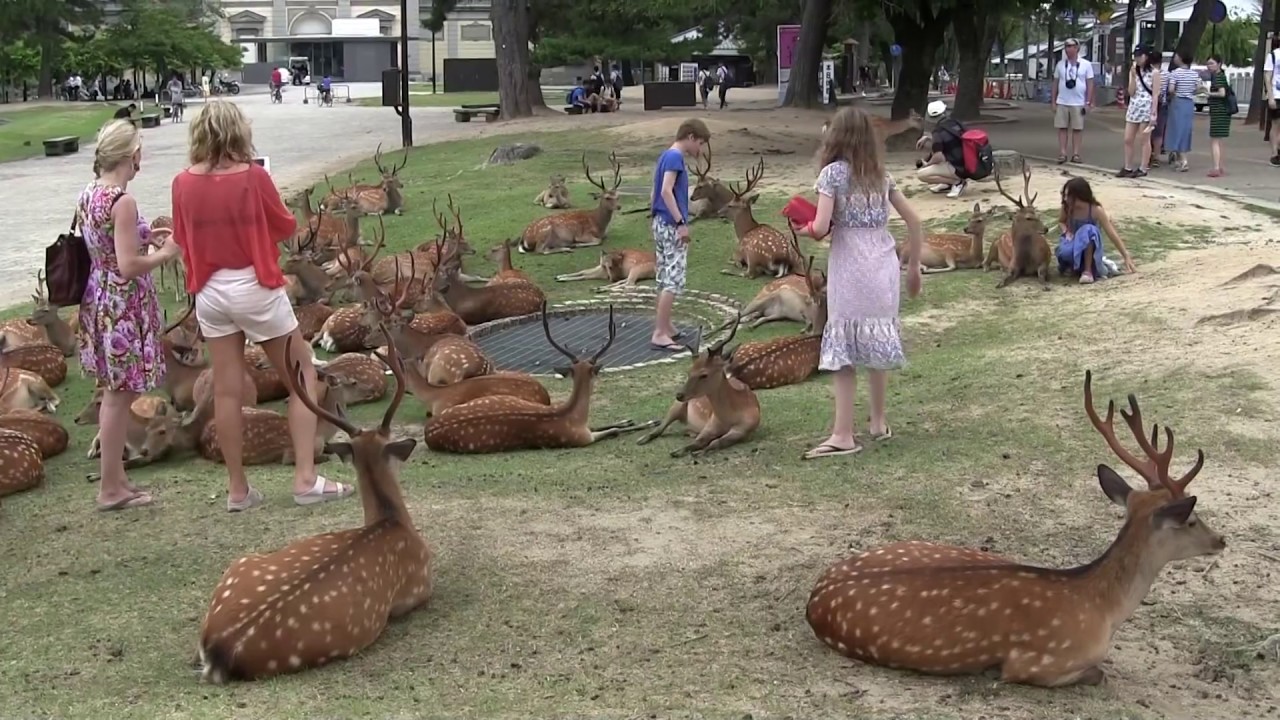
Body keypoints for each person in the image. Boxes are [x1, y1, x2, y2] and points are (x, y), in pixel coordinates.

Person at [170, 100, 354, 512]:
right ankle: (306, 478)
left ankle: (238, 490)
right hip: (254, 285)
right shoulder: (254, 177)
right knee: (303, 374)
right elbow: (287, 226)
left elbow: (182, 235)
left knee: (227, 389)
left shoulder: (182, 182)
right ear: (239, 132)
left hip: (211, 293)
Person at [791, 106, 923, 460]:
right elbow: (914, 221)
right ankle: (878, 421)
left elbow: (820, 227)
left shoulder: (833, 174)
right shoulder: (881, 176)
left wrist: (803, 230)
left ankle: (843, 433)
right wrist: (913, 269)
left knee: (845, 349)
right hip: (883, 264)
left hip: (850, 265)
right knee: (876, 341)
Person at [79, 120, 183, 510]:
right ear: (130, 154)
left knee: (115, 392)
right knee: (120, 396)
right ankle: (110, 489)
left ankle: (117, 480)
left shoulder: (92, 193)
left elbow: (107, 246)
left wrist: (144, 236)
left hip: (100, 297)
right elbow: (127, 266)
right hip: (122, 305)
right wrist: (165, 253)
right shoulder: (123, 201)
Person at [648, 119, 711, 352]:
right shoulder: (676, 158)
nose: (700, 150)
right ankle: (660, 333)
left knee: (663, 275)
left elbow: (655, 191)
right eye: (701, 143)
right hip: (671, 224)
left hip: (660, 223)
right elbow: (666, 191)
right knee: (673, 279)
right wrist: (681, 222)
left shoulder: (665, 155)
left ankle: (666, 325)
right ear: (691, 137)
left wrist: (654, 215)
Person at [1055, 178, 1137, 285]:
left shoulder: (1095, 210)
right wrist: (1067, 231)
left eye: (1068, 195)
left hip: (1089, 247)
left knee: (1089, 230)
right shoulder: (1067, 207)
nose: (1065, 199)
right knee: (1064, 252)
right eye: (1064, 195)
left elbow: (1112, 234)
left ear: (1079, 195)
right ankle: (1071, 266)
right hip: (1073, 241)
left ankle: (1088, 271)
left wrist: (1126, 256)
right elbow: (1061, 221)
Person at [1118, 44, 1160, 178]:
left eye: (1140, 56)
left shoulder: (1154, 72)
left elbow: (1155, 94)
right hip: (1134, 106)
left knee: (1144, 139)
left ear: (1146, 56)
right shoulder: (1134, 70)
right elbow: (1131, 91)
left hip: (1146, 107)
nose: (1137, 59)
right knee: (1128, 138)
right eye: (1135, 56)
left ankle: (1143, 167)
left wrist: (1154, 113)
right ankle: (1128, 166)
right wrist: (1133, 77)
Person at [1051, 38, 1094, 164]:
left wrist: (1088, 102)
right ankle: (1063, 153)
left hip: (1079, 101)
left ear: (1077, 48)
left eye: (1071, 46)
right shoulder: (1060, 64)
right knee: (1062, 127)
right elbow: (1055, 83)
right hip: (1062, 101)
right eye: (1066, 46)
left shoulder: (1086, 64)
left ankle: (1076, 154)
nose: (1068, 49)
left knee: (1077, 128)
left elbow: (1090, 83)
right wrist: (1053, 101)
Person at [914, 100, 968, 198]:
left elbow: (939, 157)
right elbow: (950, 139)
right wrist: (928, 137)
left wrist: (927, 165)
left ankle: (957, 182)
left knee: (922, 174)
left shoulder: (937, 132)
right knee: (937, 151)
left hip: (957, 167)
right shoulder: (955, 123)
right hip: (965, 163)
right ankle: (948, 183)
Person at [1163, 51, 1199, 173]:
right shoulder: (1194, 74)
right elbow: (1198, 89)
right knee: (1185, 130)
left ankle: (1182, 160)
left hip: (1178, 102)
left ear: (1181, 59)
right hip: (1189, 103)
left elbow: (1171, 89)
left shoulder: (1175, 73)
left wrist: (1173, 94)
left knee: (1175, 129)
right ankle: (1180, 159)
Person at [1205, 55, 1231, 178]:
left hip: (1219, 111)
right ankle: (1219, 166)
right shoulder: (1220, 76)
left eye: (1211, 63)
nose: (1209, 66)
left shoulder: (1218, 77)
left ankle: (1216, 167)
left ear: (1219, 64)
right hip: (1220, 111)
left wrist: (1207, 93)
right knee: (1218, 140)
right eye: (1208, 64)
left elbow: (1222, 93)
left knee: (1215, 140)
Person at [1264, 33, 1280, 166]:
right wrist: (1270, 97)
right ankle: (1275, 153)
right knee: (1275, 125)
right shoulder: (1274, 55)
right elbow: (1267, 77)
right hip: (1277, 94)